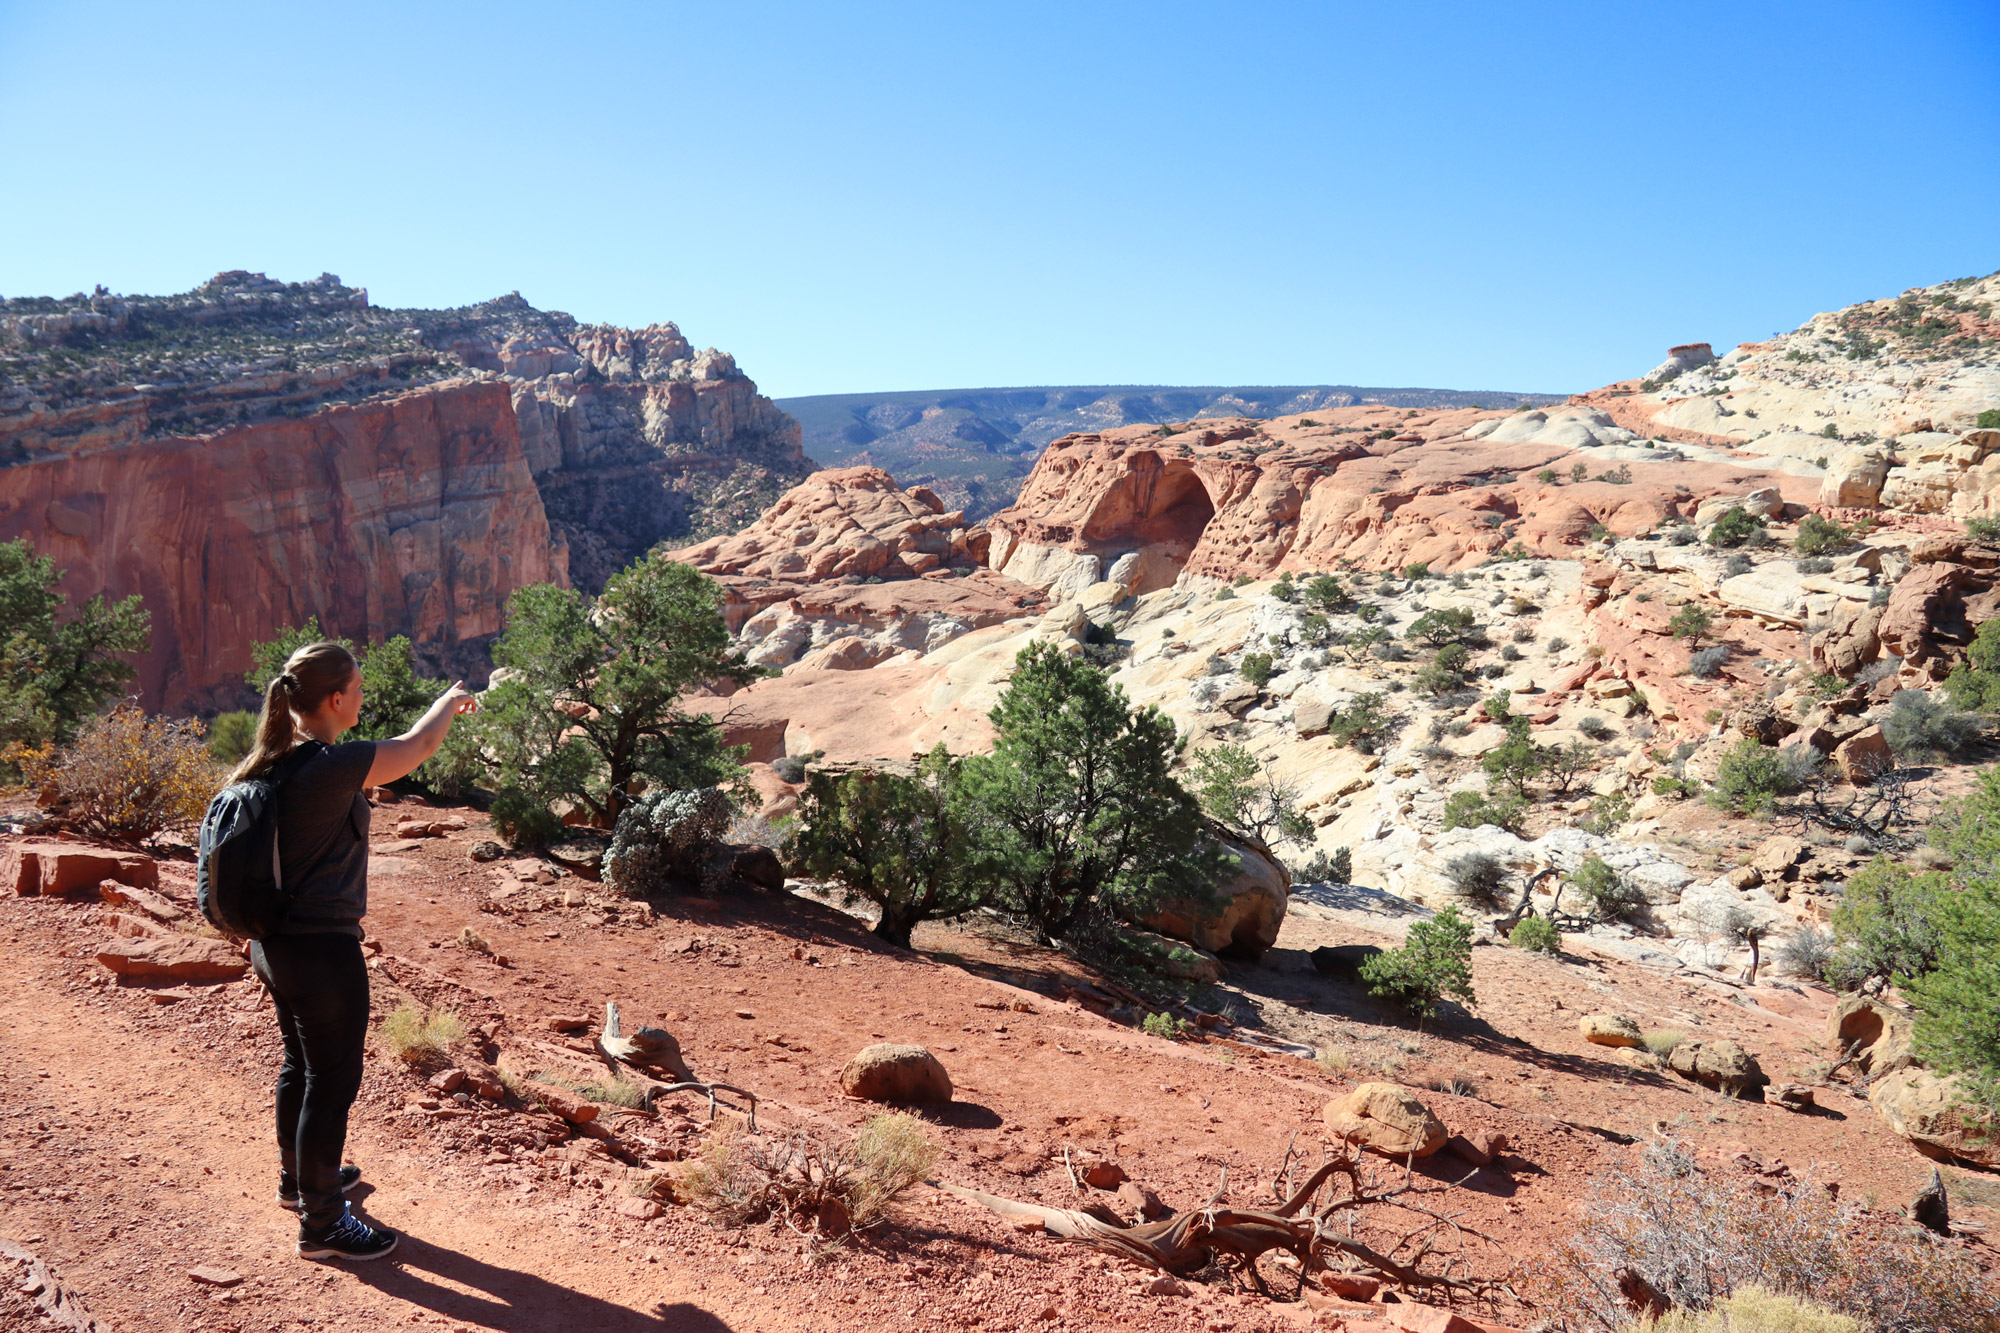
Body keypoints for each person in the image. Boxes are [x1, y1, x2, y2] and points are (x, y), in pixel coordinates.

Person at [228, 641, 477, 1261]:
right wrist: (447, 703)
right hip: (320, 951)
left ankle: (299, 1181)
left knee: (301, 1067)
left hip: (273, 944)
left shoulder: (273, 762)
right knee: (331, 1083)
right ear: (334, 701)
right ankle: (322, 1224)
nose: (364, 698)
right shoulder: (329, 765)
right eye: (359, 689)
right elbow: (416, 748)